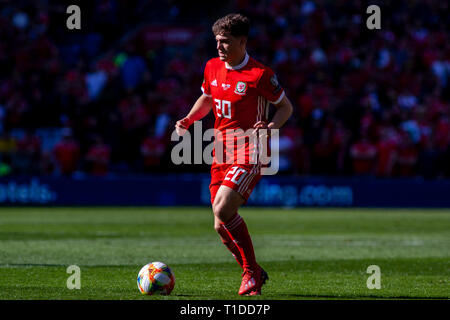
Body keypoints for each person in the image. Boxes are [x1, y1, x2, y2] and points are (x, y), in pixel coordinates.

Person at [175, 13, 293, 295]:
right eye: (217, 41)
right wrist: (189, 120)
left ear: (242, 42)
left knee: (223, 208)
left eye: (225, 42)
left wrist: (270, 128)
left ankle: (250, 274)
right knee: (220, 225)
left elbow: (286, 108)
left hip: (250, 150)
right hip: (221, 151)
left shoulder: (260, 75)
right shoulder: (212, 67)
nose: (219, 47)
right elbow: (207, 98)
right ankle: (252, 269)